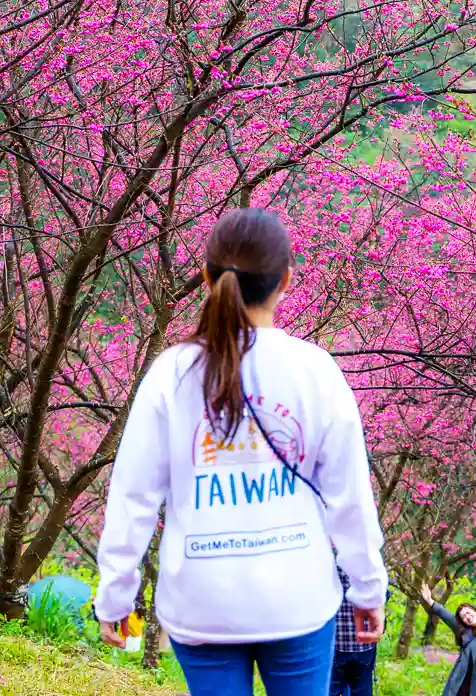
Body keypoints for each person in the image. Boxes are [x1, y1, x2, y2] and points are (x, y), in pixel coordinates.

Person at [94, 208, 388, 696]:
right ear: (286, 280)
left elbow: (133, 496)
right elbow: (350, 497)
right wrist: (367, 588)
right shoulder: (314, 370)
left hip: (201, 599)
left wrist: (116, 596)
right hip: (297, 596)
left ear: (207, 277)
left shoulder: (172, 372)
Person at [419, 583, 476, 696]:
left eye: (468, 613)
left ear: (475, 612)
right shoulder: (462, 629)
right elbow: (444, 614)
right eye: (464, 617)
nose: (467, 617)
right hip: (460, 679)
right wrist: (430, 601)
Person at [330, 566, 377, 696]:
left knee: (330, 689)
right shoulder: (368, 566)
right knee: (362, 689)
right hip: (364, 643)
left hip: (337, 643)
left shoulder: (329, 567)